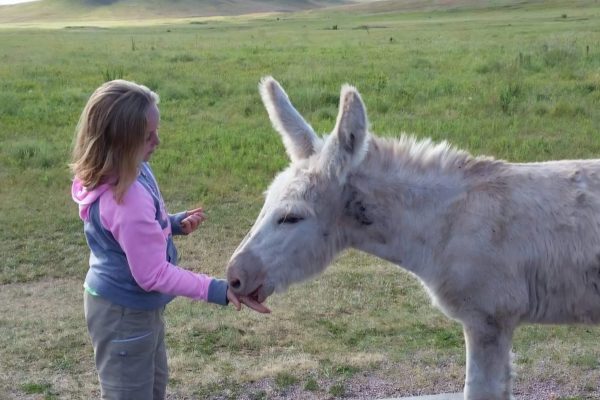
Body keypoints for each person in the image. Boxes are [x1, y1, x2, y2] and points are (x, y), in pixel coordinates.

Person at [70, 79, 269, 400]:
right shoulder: (126, 199)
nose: (158, 141)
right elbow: (152, 275)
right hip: (123, 315)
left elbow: (127, 231)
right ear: (120, 143)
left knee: (152, 385)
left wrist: (172, 224)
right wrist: (216, 289)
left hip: (134, 310)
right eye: (148, 136)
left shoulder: (131, 170)